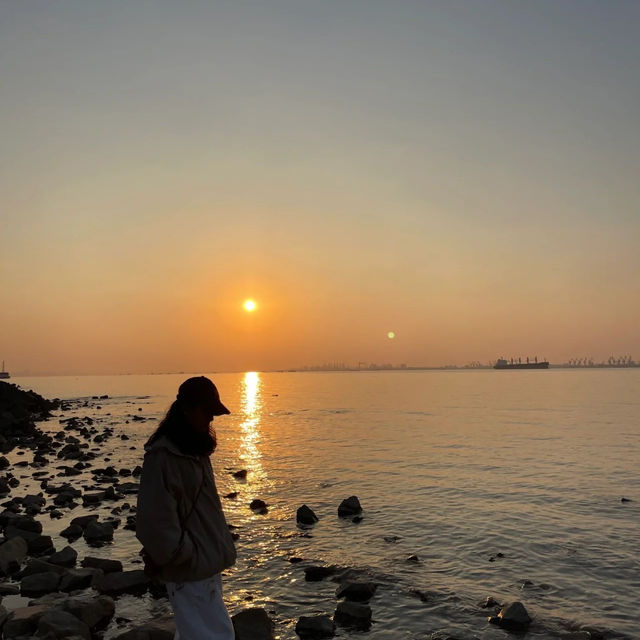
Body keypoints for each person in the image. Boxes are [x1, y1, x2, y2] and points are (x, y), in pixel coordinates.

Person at [136, 376, 237, 640]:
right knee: (216, 635)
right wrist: (183, 554)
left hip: (202, 565)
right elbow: (152, 521)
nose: (211, 420)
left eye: (213, 413)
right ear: (185, 410)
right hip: (189, 567)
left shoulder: (195, 450)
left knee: (197, 633)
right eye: (206, 412)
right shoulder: (163, 457)